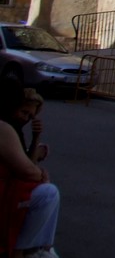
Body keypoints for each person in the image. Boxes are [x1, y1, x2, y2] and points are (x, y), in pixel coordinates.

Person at [0, 80, 59, 258]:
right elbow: (27, 170)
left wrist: (35, 138)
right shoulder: (5, 128)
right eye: (24, 112)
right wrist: (41, 175)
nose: (24, 118)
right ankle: (24, 250)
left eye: (30, 116)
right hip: (6, 193)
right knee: (49, 193)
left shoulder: (14, 129)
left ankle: (41, 247)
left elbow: (26, 164)